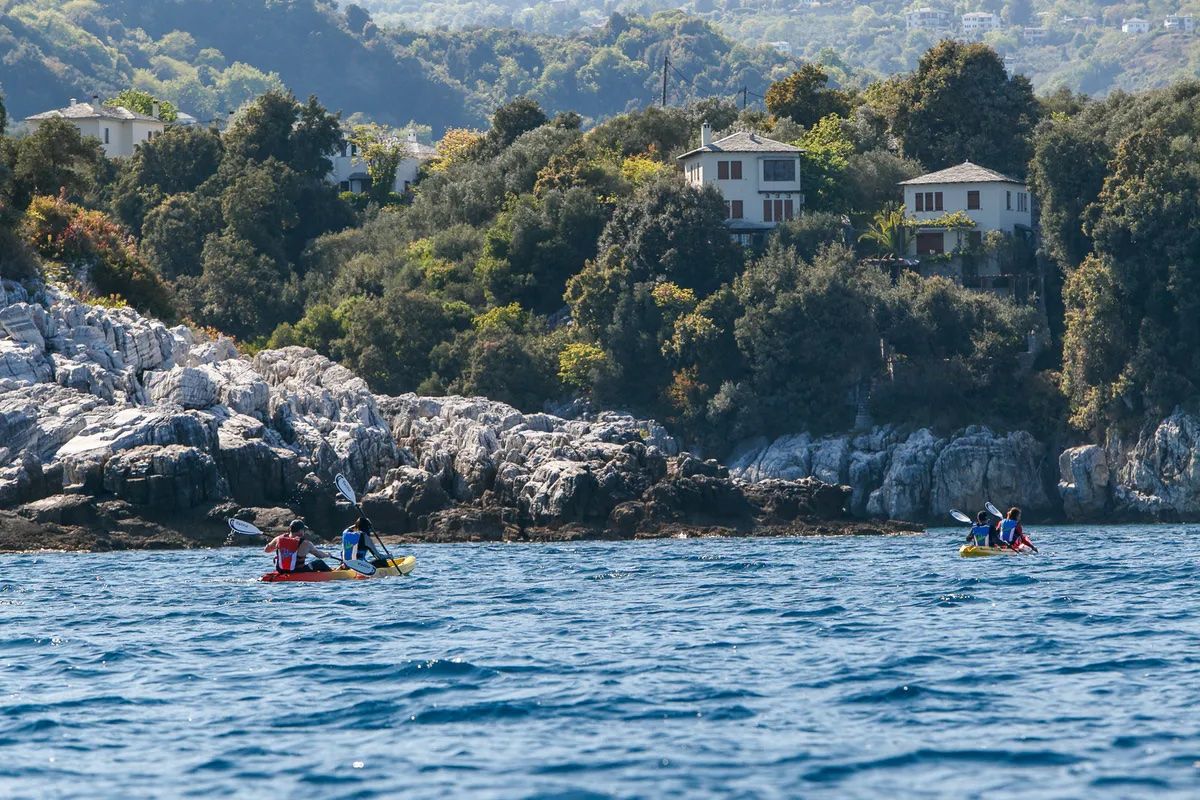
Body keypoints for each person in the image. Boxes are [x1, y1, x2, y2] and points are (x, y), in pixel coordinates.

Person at [264, 520, 333, 573]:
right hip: (297, 571)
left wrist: (272, 544)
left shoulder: (278, 539)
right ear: (300, 531)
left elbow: (267, 550)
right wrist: (327, 555)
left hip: (281, 570)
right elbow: (319, 555)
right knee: (319, 563)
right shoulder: (306, 543)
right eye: (303, 530)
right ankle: (332, 573)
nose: (304, 532)